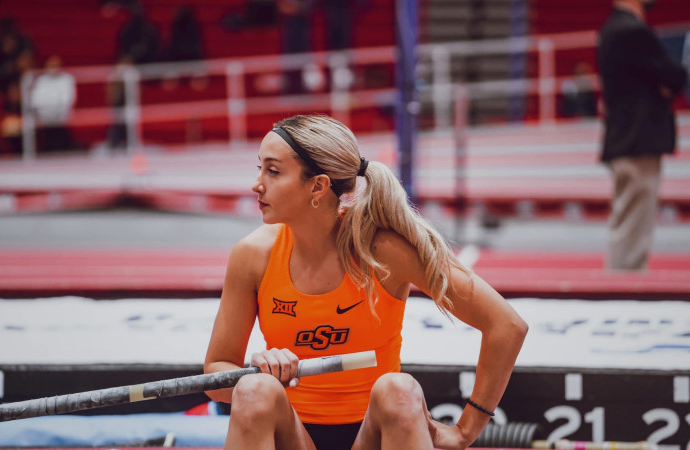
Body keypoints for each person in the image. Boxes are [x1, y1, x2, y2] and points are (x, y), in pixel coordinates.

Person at [204, 114, 528, 450]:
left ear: (318, 186)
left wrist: (465, 431)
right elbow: (215, 372)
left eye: (272, 171)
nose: (256, 184)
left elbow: (507, 325)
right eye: (260, 169)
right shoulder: (252, 255)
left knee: (399, 390)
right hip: (293, 435)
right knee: (254, 390)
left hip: (373, 437)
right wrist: (258, 371)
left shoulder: (385, 251)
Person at [598, 0, 688, 270]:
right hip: (636, 139)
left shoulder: (613, 28)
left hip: (626, 137)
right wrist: (665, 85)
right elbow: (675, 75)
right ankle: (624, 287)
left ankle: (621, 282)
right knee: (632, 232)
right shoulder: (632, 30)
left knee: (628, 225)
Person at [30, 55, 77, 152]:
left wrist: (57, 114)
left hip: (61, 117)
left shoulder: (67, 79)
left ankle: (64, 149)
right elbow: (36, 100)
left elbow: (68, 99)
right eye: (51, 65)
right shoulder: (41, 80)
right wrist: (44, 114)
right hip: (44, 117)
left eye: (56, 65)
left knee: (60, 133)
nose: (54, 68)